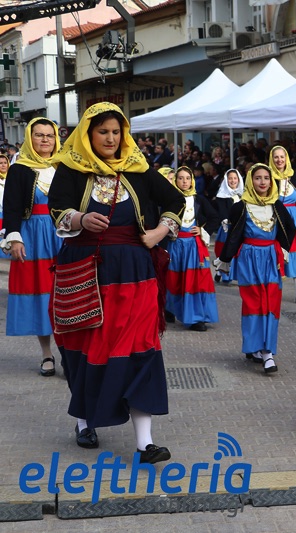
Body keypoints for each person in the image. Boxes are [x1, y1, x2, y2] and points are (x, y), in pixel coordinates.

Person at [48, 102, 185, 461]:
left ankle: (145, 442)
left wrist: (159, 232)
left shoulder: (138, 169)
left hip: (135, 274)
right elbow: (57, 210)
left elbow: (175, 200)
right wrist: (80, 219)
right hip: (85, 272)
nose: (110, 138)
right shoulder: (70, 169)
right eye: (103, 132)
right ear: (88, 134)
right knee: (86, 348)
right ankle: (84, 421)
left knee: (141, 348)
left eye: (116, 132)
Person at [217, 164, 296, 373]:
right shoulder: (240, 207)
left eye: (266, 178)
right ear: (251, 181)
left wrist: (284, 249)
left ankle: (267, 352)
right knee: (254, 303)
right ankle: (254, 346)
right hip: (249, 259)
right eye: (258, 178)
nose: (262, 182)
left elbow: (291, 228)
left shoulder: (277, 205)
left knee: (271, 302)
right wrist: (224, 260)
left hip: (270, 258)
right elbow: (233, 235)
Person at [1, 118, 62, 377]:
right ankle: (47, 353)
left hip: (63, 235)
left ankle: (69, 352)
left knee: (65, 293)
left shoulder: (65, 166)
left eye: (50, 135)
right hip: (33, 237)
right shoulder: (19, 169)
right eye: (39, 135)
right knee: (41, 294)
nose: (45, 139)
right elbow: (11, 206)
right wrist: (15, 237)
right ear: (30, 137)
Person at [165, 166, 220, 331]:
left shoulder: (199, 199)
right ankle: (170, 308)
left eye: (187, 178)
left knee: (194, 281)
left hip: (193, 247)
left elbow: (214, 217)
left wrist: (202, 230)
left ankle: (195, 317)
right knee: (174, 279)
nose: (184, 181)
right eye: (180, 178)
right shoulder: (169, 199)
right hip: (175, 245)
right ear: (176, 180)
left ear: (192, 181)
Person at [269, 145, 296, 303]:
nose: (279, 160)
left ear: (286, 158)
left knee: (295, 253)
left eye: (282, 156)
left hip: (294, 218)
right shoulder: (268, 175)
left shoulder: (293, 174)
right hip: (276, 218)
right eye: (276, 157)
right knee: (277, 253)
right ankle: (273, 290)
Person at [213, 169, 244, 284]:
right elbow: (222, 211)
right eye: (230, 178)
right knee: (225, 250)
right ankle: (222, 273)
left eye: (235, 178)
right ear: (226, 180)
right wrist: (225, 221)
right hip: (227, 228)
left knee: (237, 251)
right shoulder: (222, 195)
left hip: (240, 227)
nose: (233, 180)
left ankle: (230, 273)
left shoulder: (243, 194)